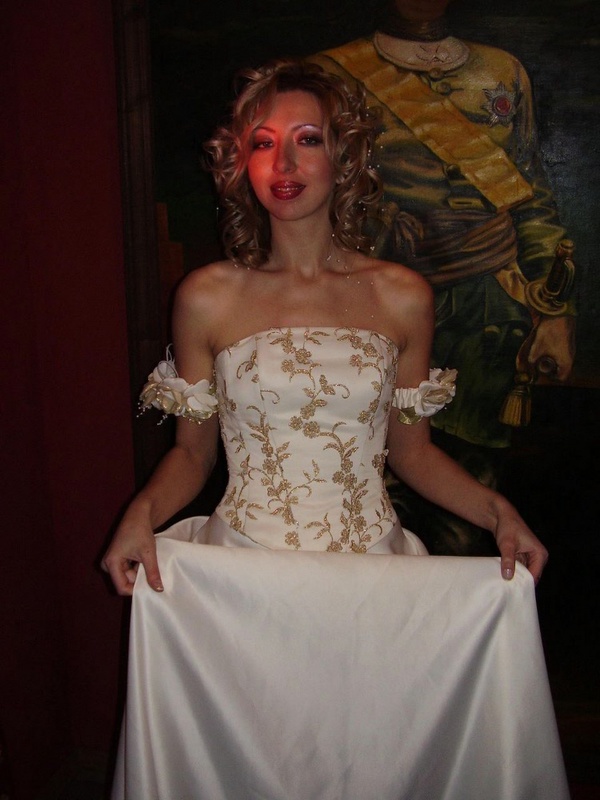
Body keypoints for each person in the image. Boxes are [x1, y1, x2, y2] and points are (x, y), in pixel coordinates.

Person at [101, 58, 548, 597]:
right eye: (263, 143)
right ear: (241, 162)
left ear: (344, 155)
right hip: (245, 575)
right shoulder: (206, 297)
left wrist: (499, 514)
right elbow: (194, 454)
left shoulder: (401, 296)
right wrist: (140, 515)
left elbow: (412, 453)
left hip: (370, 574)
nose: (284, 162)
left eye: (307, 139)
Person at [308, 0, 576, 556]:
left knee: (463, 510)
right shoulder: (328, 73)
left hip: (486, 316)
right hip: (370, 311)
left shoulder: (502, 71)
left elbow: (531, 199)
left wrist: (555, 314)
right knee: (363, 494)